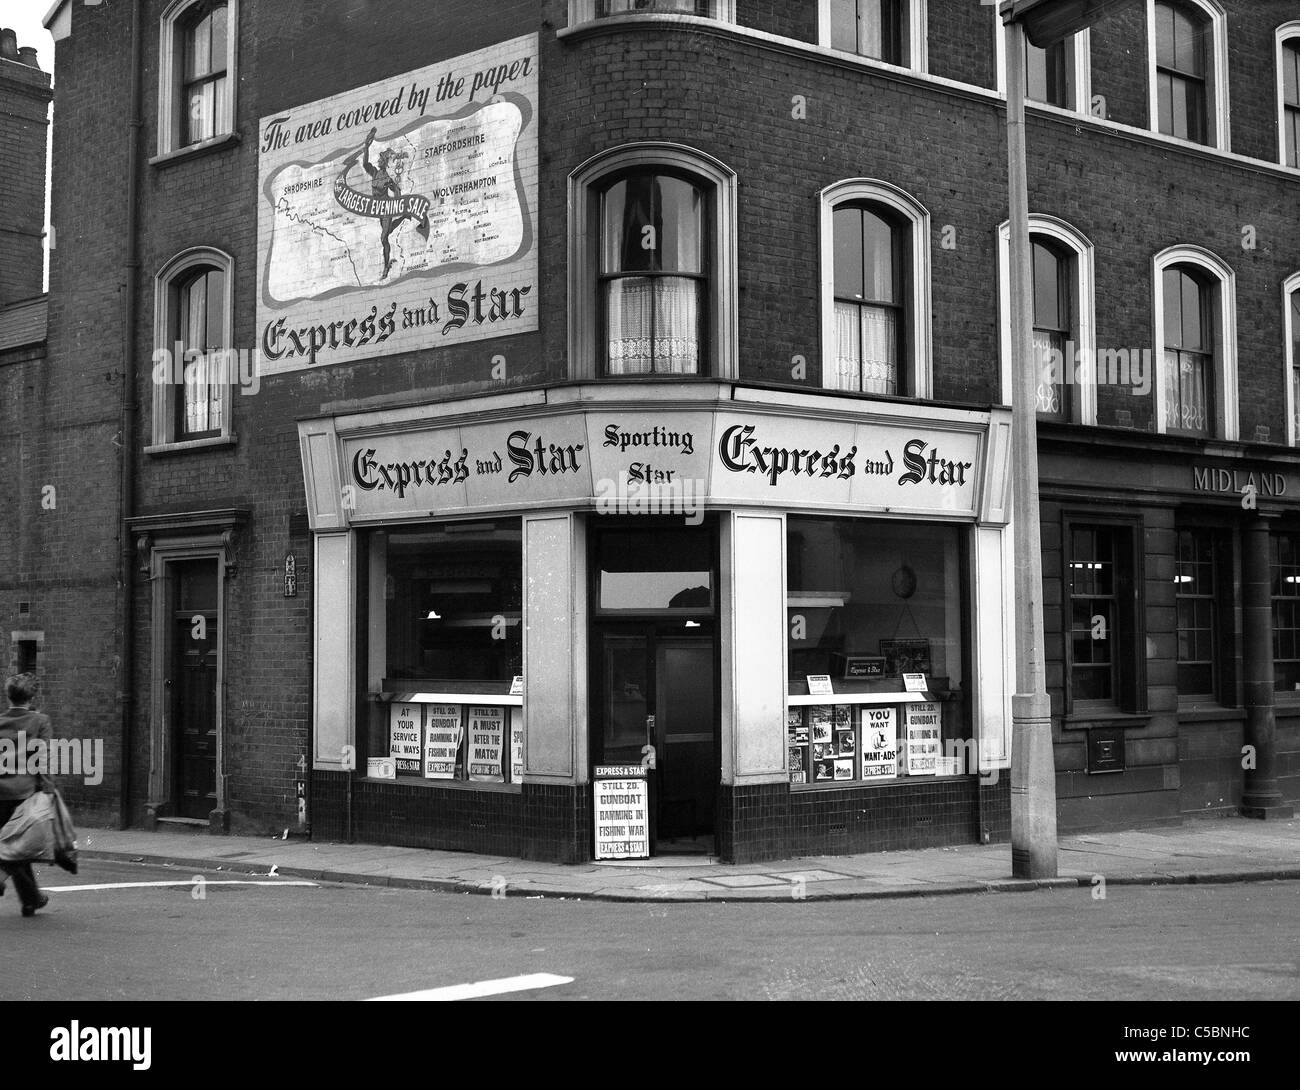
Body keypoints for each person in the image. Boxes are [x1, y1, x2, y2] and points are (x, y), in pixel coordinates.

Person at [0, 672, 52, 916]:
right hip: (25, 792)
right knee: (21, 846)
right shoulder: (40, 721)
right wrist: (47, 789)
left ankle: (31, 899)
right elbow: (42, 758)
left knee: (13, 844)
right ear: (32, 696)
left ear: (7, 695)